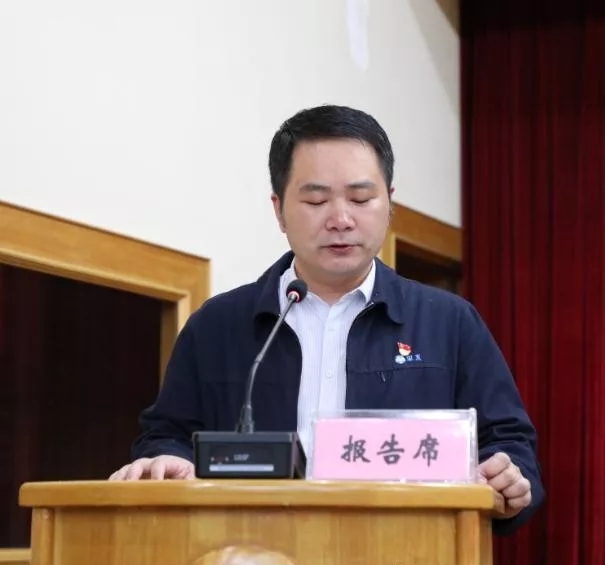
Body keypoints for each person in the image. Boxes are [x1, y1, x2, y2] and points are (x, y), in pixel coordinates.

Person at [109, 104, 544, 535]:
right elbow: (168, 434)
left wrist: (508, 477)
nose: (340, 219)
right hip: (253, 558)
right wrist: (168, 459)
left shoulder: (449, 322)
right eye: (316, 200)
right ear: (279, 210)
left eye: (361, 199)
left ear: (389, 204)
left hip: (403, 557)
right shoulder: (217, 326)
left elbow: (509, 444)